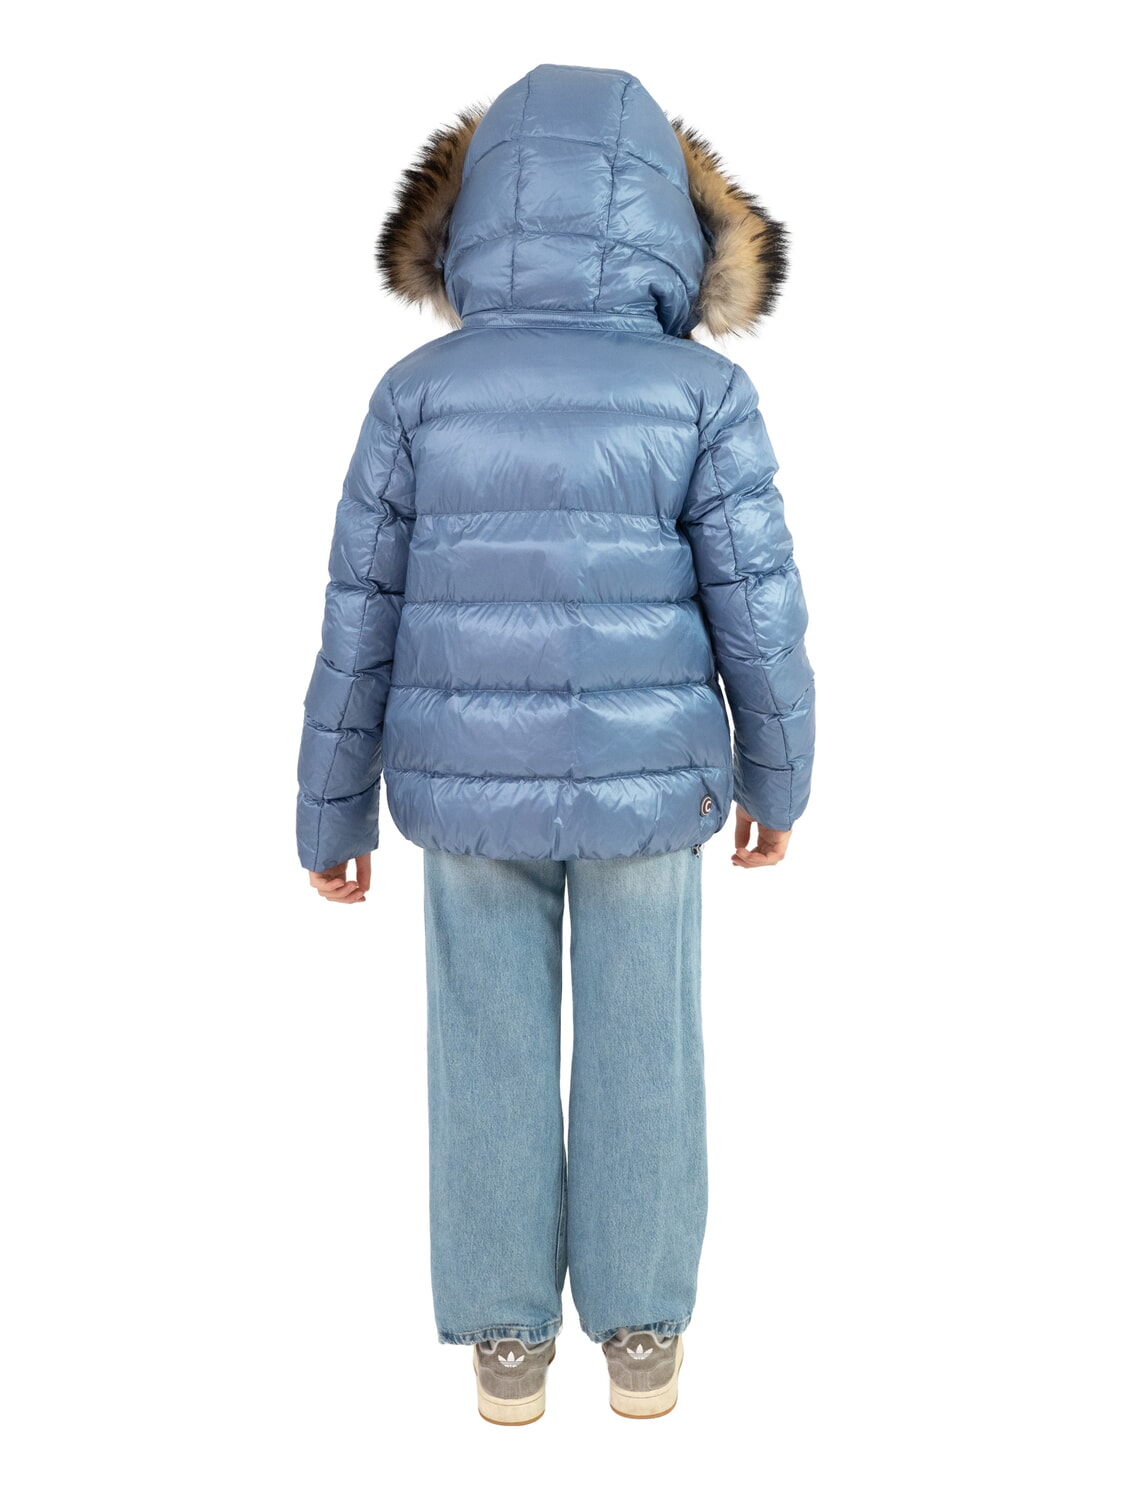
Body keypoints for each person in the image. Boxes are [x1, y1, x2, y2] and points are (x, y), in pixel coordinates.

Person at [295, 62, 815, 1424]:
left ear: (470, 221)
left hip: (465, 787)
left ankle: (505, 1344)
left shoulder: (417, 393)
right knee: (648, 1043)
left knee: (485, 1044)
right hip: (652, 785)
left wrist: (331, 809)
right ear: (667, 223)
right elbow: (758, 607)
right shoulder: (701, 396)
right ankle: (641, 1335)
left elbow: (358, 616)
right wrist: (778, 778)